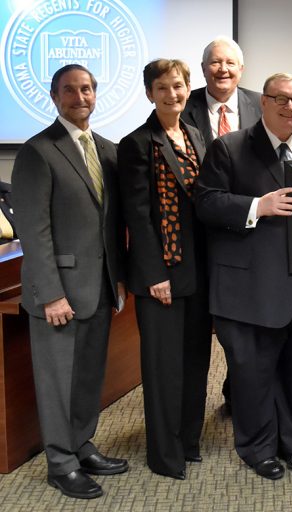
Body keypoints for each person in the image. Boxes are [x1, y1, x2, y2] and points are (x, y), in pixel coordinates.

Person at [195, 73, 292, 480]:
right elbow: (206, 203)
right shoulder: (230, 147)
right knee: (254, 375)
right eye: (281, 99)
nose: (290, 107)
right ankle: (257, 448)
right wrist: (258, 205)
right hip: (250, 291)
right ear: (263, 102)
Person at [11, 64, 127, 499]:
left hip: (99, 287)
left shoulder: (106, 149)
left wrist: (117, 279)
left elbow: (110, 225)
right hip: (59, 292)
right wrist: (52, 294)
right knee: (58, 380)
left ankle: (82, 444)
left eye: (86, 89)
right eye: (69, 90)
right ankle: (60, 463)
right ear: (54, 96)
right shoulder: (38, 152)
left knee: (87, 376)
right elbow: (34, 232)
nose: (80, 97)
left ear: (96, 94)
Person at [117, 59, 212, 480]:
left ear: (188, 88)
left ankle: (188, 441)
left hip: (199, 270)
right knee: (163, 369)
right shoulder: (137, 143)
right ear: (149, 93)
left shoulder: (194, 134)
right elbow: (137, 216)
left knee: (196, 361)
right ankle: (164, 454)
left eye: (177, 86)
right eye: (162, 87)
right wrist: (155, 274)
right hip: (162, 275)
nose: (171, 94)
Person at [181, 36, 261, 412]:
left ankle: (236, 394)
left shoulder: (262, 104)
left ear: (241, 69)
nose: (223, 69)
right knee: (201, 328)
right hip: (198, 236)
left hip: (251, 237)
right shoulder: (182, 106)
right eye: (215, 62)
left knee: (246, 326)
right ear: (203, 69)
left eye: (230, 63)